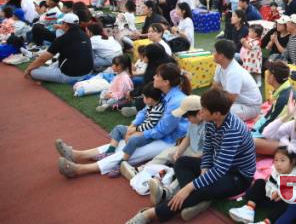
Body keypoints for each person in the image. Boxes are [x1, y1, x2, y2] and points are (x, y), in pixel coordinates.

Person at [124, 89, 256, 223]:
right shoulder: (211, 121)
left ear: (216, 113)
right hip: (218, 165)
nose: (200, 112)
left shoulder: (232, 131)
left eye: (204, 109)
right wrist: (204, 168)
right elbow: (208, 149)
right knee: (181, 162)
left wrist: (188, 187)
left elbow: (220, 170)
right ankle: (196, 202)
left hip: (237, 176)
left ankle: (150, 214)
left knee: (197, 188)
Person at [56, 63, 190, 179]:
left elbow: (163, 130)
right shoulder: (163, 92)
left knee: (128, 149)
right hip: (156, 132)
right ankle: (78, 155)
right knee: (120, 143)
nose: (154, 77)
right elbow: (145, 111)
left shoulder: (176, 101)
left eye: (157, 75)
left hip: (169, 141)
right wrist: (133, 126)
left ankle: (80, 169)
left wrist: (138, 132)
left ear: (166, 82)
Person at [228, 145, 296, 224]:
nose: (278, 164)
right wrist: (273, 191)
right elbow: (270, 183)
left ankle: (266, 222)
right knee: (260, 182)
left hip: (281, 202)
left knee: (287, 203)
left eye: (282, 160)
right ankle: (249, 209)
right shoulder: (276, 170)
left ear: (292, 161)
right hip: (270, 197)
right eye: (276, 160)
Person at [24, 13, 93, 84]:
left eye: (62, 23)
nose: (61, 25)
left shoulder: (62, 39)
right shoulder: (85, 35)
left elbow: (43, 59)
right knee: (57, 62)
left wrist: (29, 68)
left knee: (33, 71)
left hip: (69, 76)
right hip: (88, 72)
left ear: (65, 24)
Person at [252, 62, 296, 155]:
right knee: (259, 119)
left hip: (286, 136)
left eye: (268, 72)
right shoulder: (285, 89)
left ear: (272, 77)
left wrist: (254, 132)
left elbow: (271, 126)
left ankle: (288, 149)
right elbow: (270, 115)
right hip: (282, 129)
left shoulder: (283, 99)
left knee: (249, 143)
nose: (266, 73)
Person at [212, 40, 262, 121]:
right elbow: (215, 87)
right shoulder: (220, 66)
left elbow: (229, 99)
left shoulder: (234, 72)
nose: (212, 54)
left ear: (221, 56)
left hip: (250, 107)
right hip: (237, 103)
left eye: (214, 51)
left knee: (218, 113)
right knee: (209, 107)